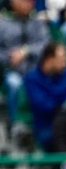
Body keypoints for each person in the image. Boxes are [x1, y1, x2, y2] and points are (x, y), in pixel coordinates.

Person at [0, 0, 51, 129]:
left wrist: (26, 51)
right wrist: (10, 57)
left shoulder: (37, 23)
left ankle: (43, 124)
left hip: (35, 68)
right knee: (15, 84)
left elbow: (45, 44)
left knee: (45, 82)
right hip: (11, 70)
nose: (29, 4)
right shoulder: (3, 24)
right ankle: (16, 124)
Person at [24, 42, 66, 151]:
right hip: (46, 126)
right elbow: (45, 106)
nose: (65, 63)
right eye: (62, 59)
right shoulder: (32, 79)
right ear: (49, 59)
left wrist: (65, 102)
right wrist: (64, 102)